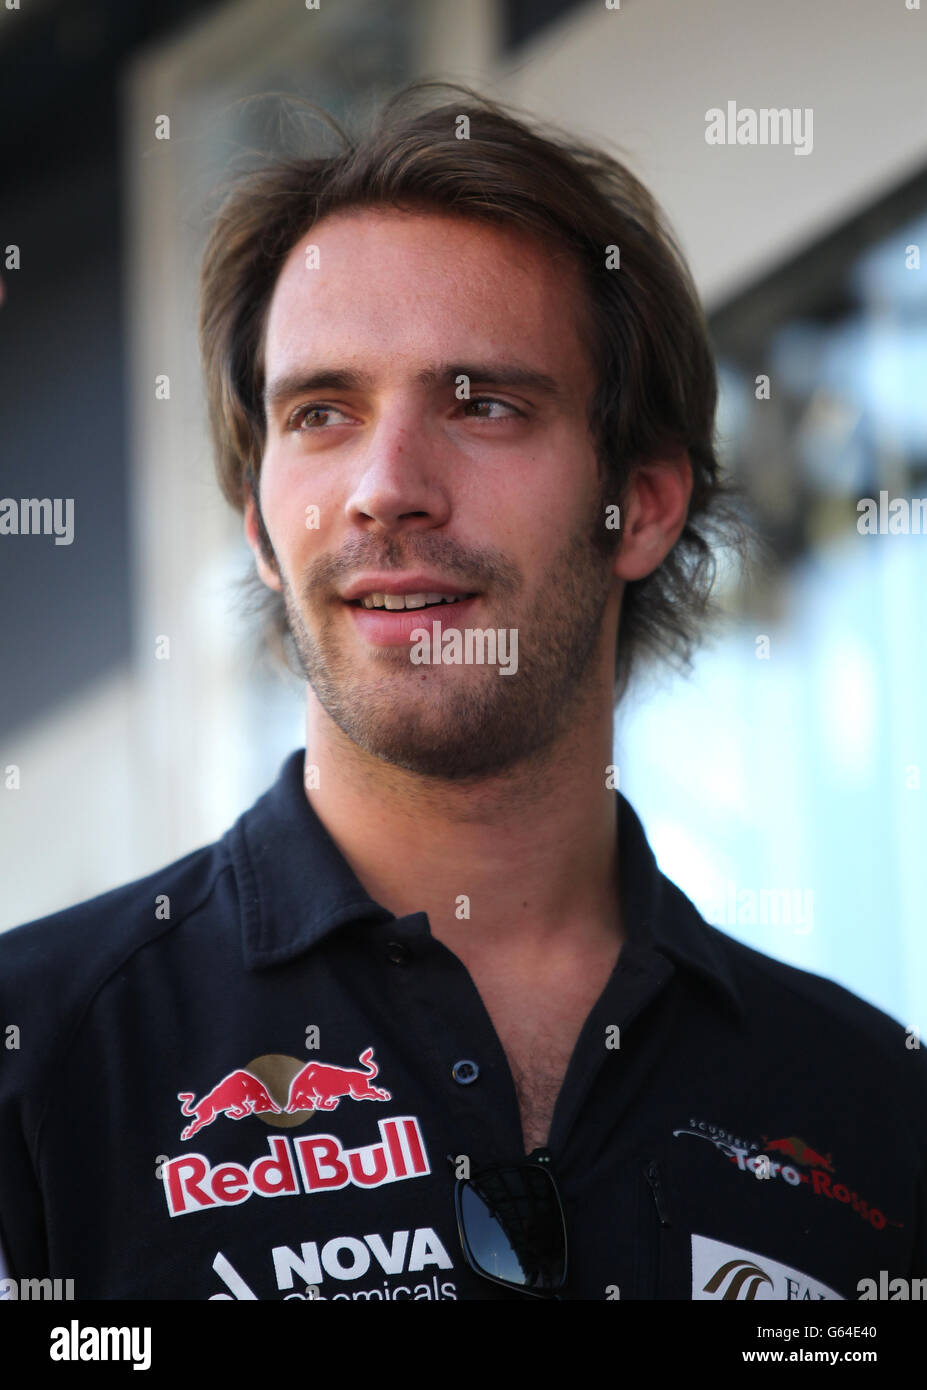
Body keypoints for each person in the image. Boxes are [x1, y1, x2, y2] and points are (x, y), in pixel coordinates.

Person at [0, 84, 924, 1303]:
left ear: (641, 504)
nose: (387, 487)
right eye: (321, 412)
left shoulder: (879, 1113)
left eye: (481, 403)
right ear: (263, 532)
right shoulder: (38, 1065)